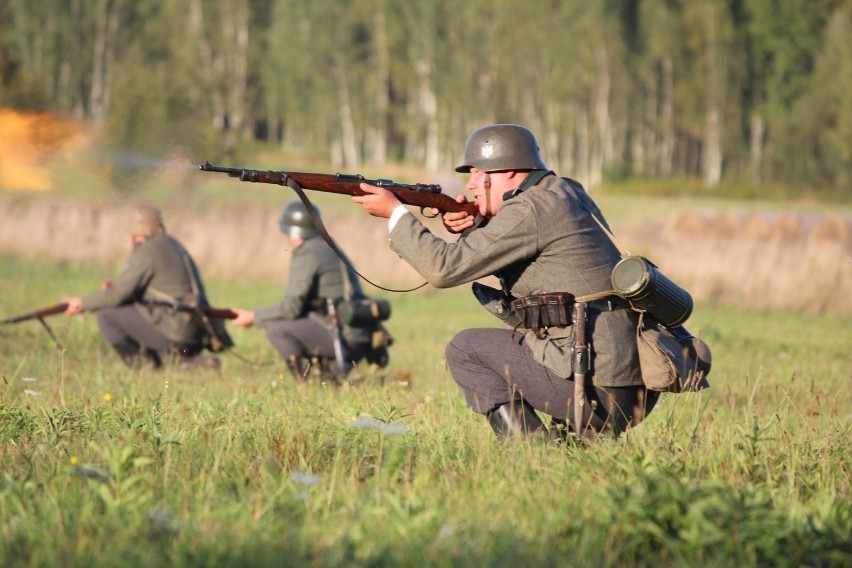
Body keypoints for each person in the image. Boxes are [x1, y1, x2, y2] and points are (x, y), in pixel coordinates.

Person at [352, 123, 658, 440]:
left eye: (476, 173)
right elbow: (536, 250)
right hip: (634, 383)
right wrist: (479, 225)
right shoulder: (565, 192)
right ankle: (579, 445)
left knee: (466, 348)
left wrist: (396, 215)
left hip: (594, 384)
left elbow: (443, 269)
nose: (470, 184)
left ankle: (534, 454)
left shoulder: (531, 208)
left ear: (508, 172)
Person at [230, 201, 390, 382]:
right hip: (358, 335)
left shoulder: (308, 252)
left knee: (277, 329)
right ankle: (327, 376)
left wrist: (253, 317)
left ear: (293, 231)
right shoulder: (328, 245)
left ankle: (305, 383)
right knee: (332, 384)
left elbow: (291, 308)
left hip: (342, 337)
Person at [62, 203, 223, 371]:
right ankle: (187, 362)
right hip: (196, 333)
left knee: (107, 315)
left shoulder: (148, 250)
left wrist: (82, 302)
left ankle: (144, 366)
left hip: (175, 333)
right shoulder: (172, 244)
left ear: (135, 230)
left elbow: (117, 295)